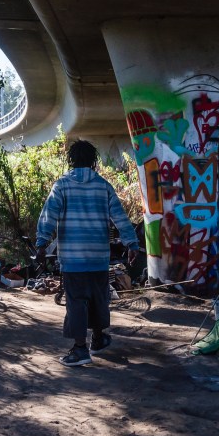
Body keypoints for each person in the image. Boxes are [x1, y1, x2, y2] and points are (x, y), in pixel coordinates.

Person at [36, 140, 140, 367]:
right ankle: (99, 338)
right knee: (98, 299)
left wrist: (42, 243)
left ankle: (80, 349)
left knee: (76, 302)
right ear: (93, 161)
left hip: (74, 259)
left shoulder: (62, 185)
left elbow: (48, 216)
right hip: (99, 257)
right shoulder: (104, 186)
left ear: (71, 160)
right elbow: (120, 218)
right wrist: (132, 244)